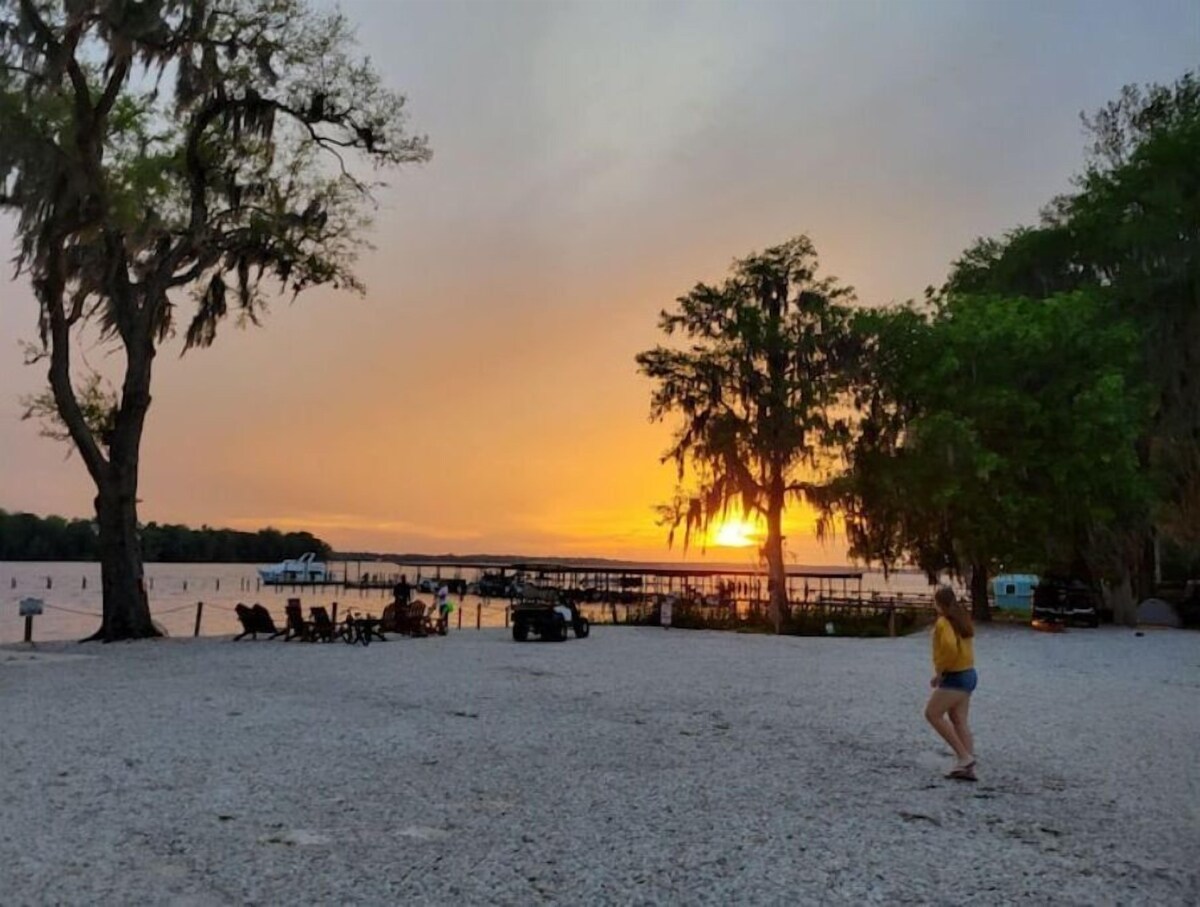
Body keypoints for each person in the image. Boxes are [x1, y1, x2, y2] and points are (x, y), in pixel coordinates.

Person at [924, 585, 977, 781]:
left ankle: (963, 757)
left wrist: (940, 672)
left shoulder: (944, 622)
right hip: (969, 674)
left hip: (955, 676)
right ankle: (967, 766)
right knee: (958, 720)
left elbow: (949, 647)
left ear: (938, 604)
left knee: (932, 714)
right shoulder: (961, 619)